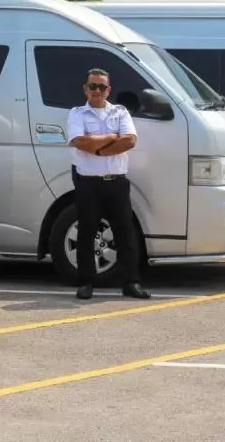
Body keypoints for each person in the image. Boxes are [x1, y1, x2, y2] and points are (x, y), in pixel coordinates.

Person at [66, 67, 151, 300]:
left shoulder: (120, 112)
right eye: (93, 86)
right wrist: (112, 138)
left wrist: (98, 150)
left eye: (102, 87)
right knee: (86, 233)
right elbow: (79, 141)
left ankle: (131, 283)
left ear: (108, 90)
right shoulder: (76, 114)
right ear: (85, 89)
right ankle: (85, 283)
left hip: (117, 182)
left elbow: (130, 141)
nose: (97, 91)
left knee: (125, 233)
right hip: (88, 183)